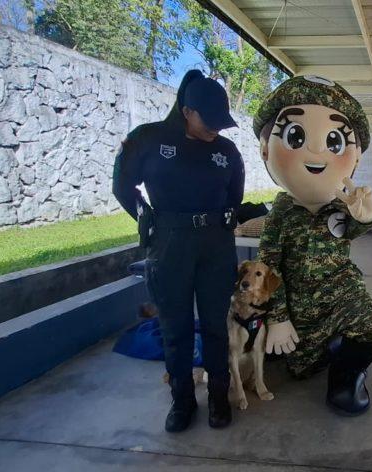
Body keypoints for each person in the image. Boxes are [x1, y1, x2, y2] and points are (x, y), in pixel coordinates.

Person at [112, 70, 244, 432]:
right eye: (209, 120)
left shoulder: (226, 151)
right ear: (187, 111)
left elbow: (234, 195)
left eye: (221, 121)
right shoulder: (148, 139)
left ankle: (218, 396)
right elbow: (122, 184)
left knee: (216, 324)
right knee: (176, 328)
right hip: (170, 243)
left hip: (216, 243)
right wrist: (147, 219)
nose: (216, 128)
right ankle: (182, 400)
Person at [253, 75, 372, 416]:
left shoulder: (340, 205)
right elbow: (267, 268)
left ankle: (346, 377)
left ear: (355, 158)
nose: (317, 152)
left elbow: (354, 228)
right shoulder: (281, 214)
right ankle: (330, 349)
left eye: (334, 141)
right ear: (265, 149)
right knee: (300, 368)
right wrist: (278, 318)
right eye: (295, 137)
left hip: (342, 294)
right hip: (300, 306)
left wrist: (367, 216)